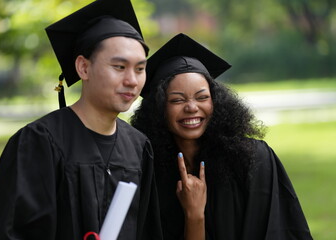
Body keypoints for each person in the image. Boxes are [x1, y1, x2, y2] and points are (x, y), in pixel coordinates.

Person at [0, 0, 162, 239]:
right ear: (83, 68)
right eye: (119, 66)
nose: (132, 80)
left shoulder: (139, 147)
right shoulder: (38, 143)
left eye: (140, 69)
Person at [131, 33, 313, 240]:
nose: (192, 107)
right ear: (158, 110)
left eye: (202, 97)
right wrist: (194, 214)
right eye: (177, 100)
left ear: (216, 102)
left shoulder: (253, 160)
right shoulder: (148, 172)